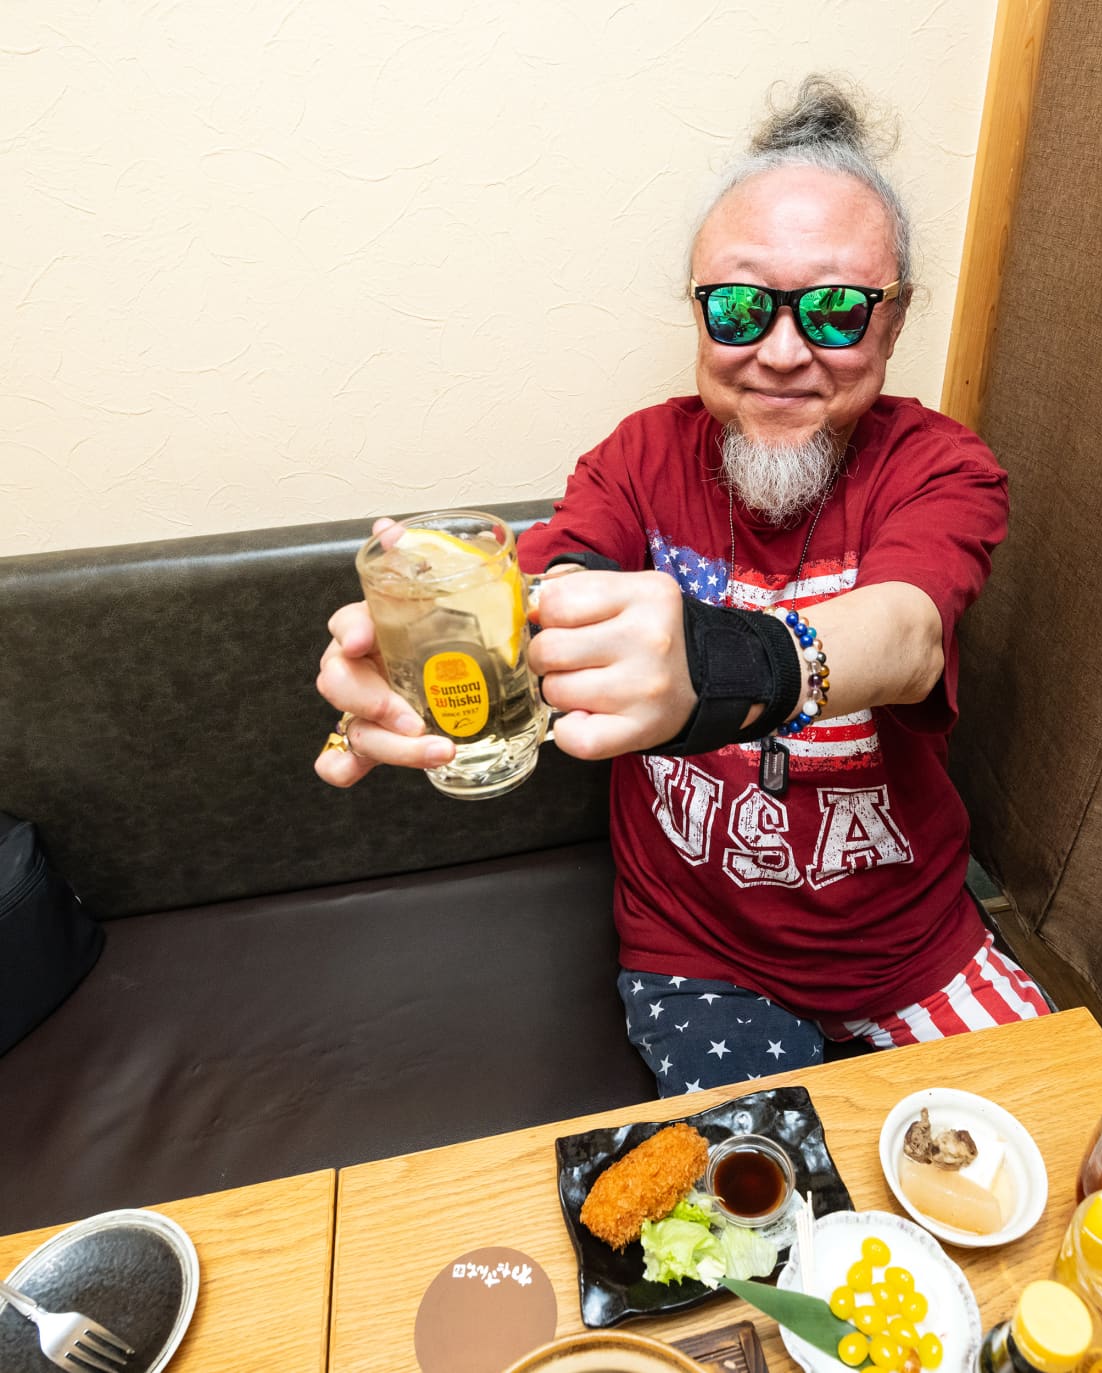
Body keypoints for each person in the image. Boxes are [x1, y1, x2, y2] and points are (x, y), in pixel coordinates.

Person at [316, 76, 1050, 1096]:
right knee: (752, 1200)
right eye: (740, 307)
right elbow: (557, 575)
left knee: (1056, 1145)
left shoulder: (940, 467)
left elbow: (908, 635)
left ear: (892, 323)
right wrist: (430, 631)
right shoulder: (637, 459)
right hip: (699, 957)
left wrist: (733, 661)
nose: (782, 354)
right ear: (700, 315)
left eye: (836, 310)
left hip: (912, 948)